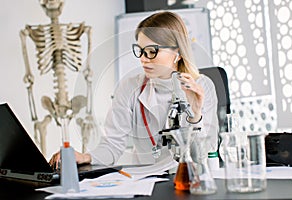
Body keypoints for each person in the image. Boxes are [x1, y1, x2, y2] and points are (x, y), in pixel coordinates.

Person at [49, 11, 218, 168]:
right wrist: (85, 157)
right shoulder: (129, 87)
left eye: (152, 52)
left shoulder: (203, 86)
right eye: (141, 51)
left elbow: (206, 152)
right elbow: (112, 145)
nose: (143, 60)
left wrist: (195, 115)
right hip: (148, 181)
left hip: (191, 178)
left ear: (178, 53)